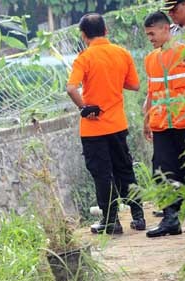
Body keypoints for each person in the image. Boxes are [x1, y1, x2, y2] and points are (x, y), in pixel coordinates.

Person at [67, 13, 145, 235]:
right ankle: (138, 217)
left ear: (83, 35)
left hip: (94, 128)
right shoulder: (122, 53)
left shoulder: (85, 58)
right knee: (125, 169)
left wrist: (84, 108)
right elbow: (134, 84)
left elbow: (72, 88)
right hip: (118, 124)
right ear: (106, 30)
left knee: (102, 174)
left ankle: (111, 221)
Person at [142, 11, 185, 237]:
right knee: (163, 172)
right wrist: (147, 120)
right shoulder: (150, 59)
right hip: (161, 125)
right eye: (147, 34)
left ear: (166, 29)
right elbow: (152, 93)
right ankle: (171, 219)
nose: (150, 38)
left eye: (152, 33)